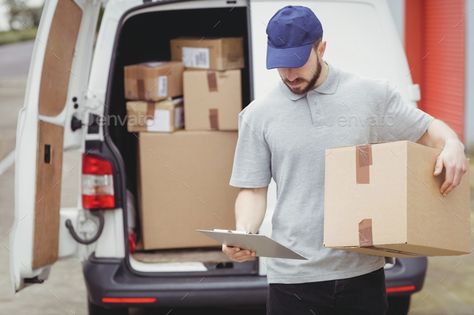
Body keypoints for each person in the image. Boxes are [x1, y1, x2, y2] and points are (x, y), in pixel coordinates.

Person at [222, 5, 468, 315]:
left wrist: (453, 143)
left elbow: (429, 130)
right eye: (281, 65)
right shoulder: (258, 115)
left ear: (321, 48)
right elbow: (252, 189)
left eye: (297, 63)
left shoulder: (369, 95)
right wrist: (244, 231)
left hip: (361, 275)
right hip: (292, 280)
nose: (289, 75)